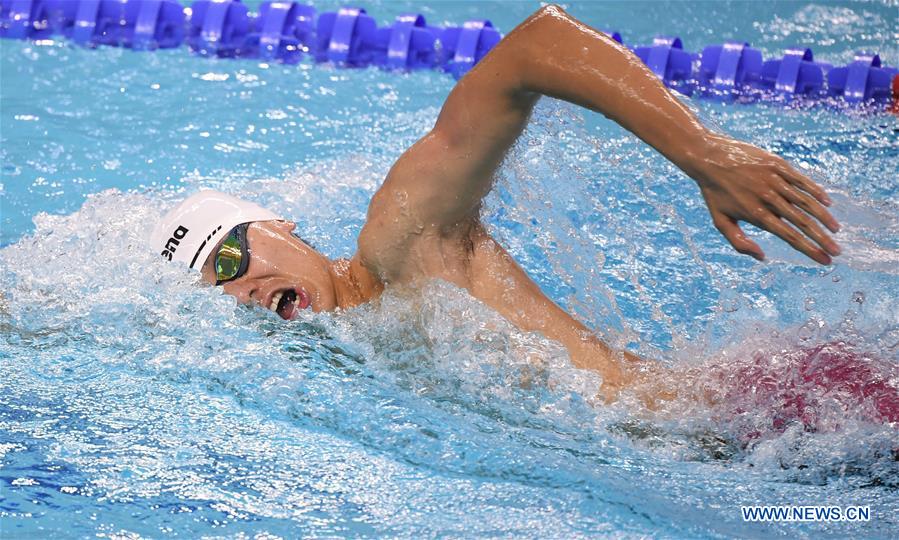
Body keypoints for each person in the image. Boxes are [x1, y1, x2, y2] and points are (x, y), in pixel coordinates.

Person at [150, 5, 841, 403]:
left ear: (280, 225)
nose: (241, 290)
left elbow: (538, 44)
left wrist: (702, 153)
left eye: (231, 256)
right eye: (218, 292)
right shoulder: (351, 353)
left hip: (760, 413)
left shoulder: (399, 242)